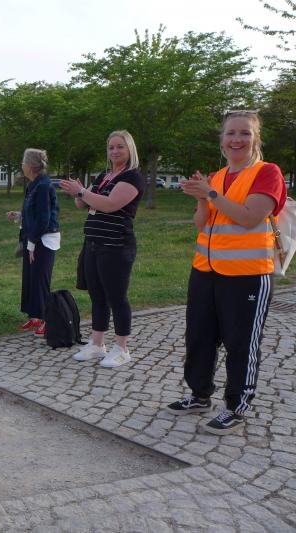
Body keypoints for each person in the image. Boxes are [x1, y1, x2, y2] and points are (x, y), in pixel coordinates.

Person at [166, 110, 287, 435]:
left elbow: (249, 217)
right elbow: (200, 223)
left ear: (255, 138)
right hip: (205, 270)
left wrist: (210, 194)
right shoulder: (216, 177)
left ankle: (236, 406)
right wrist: (202, 198)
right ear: (221, 139)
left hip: (247, 274)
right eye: (231, 133)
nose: (237, 139)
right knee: (199, 336)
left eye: (245, 133)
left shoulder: (267, 173)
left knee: (241, 342)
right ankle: (199, 395)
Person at [59, 130, 145, 368]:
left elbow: (109, 205)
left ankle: (122, 348)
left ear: (130, 149)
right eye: (111, 147)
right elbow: (82, 203)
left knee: (117, 297)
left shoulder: (132, 177)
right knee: (97, 296)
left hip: (116, 245)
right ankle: (97, 344)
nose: (115, 151)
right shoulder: (104, 176)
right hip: (93, 243)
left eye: (120, 147)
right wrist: (78, 192)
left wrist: (83, 192)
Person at [6, 148, 60, 335]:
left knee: (40, 280)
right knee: (30, 279)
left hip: (43, 240)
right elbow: (33, 212)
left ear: (30, 165)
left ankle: (47, 320)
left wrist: (31, 244)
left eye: (23, 161)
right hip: (33, 238)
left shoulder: (43, 185)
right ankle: (35, 316)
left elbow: (44, 220)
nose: (21, 165)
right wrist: (19, 215)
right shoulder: (33, 185)